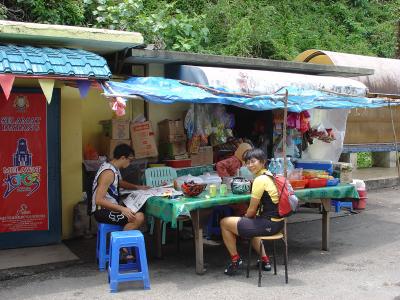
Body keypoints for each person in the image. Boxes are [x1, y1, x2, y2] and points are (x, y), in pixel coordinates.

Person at [220, 148, 284, 276]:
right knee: (251, 224)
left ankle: (235, 260)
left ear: (263, 162)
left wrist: (244, 217)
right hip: (278, 223)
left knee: (224, 223)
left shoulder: (259, 180)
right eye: (247, 162)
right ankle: (265, 261)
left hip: (268, 225)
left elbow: (251, 210)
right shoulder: (271, 176)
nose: (250, 165)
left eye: (253, 161)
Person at [91, 143, 149, 236]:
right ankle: (122, 245)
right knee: (139, 217)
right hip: (102, 212)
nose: (130, 163)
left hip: (110, 207)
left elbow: (119, 182)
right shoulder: (108, 173)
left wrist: (137, 187)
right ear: (122, 158)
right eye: (129, 160)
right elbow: (98, 200)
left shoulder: (112, 167)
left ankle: (123, 242)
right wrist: (122, 209)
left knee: (135, 208)